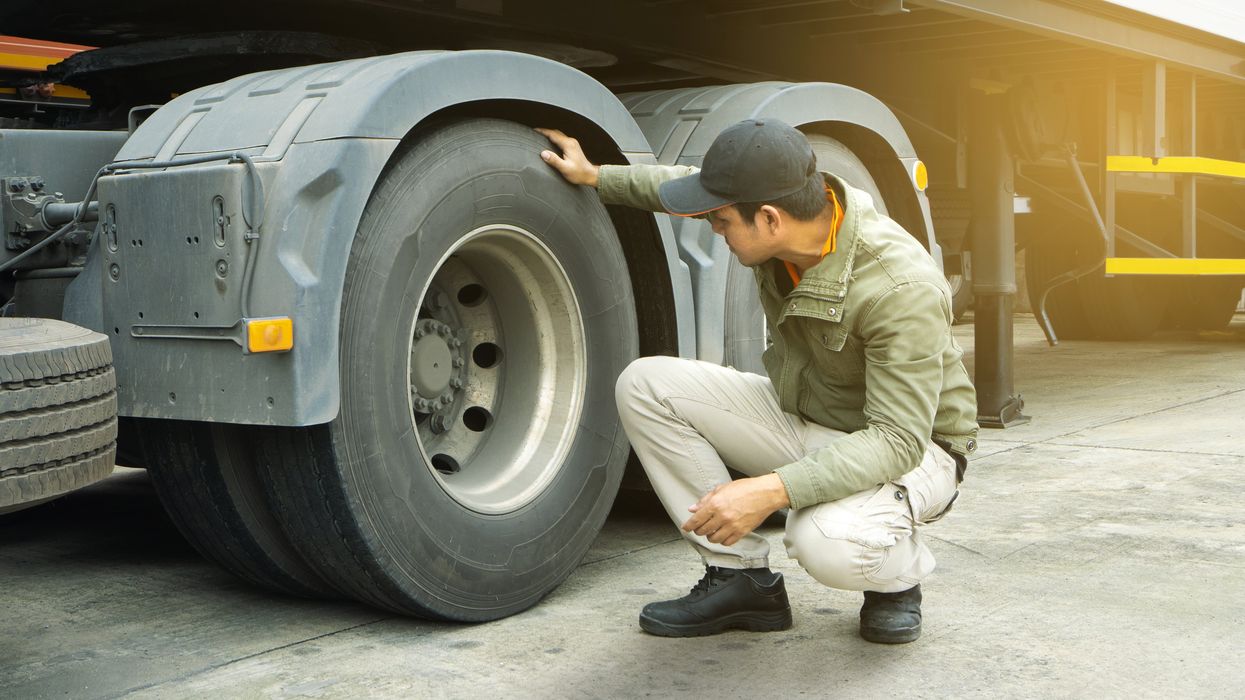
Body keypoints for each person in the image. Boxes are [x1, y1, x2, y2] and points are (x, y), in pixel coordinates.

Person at [537, 119, 978, 644]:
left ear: (769, 219)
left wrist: (769, 491)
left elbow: (896, 440)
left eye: (721, 222)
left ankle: (895, 578)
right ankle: (741, 582)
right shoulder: (794, 218)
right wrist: (595, 177)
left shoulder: (898, 286)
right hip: (813, 416)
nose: (714, 229)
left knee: (827, 543)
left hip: (915, 450)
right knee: (646, 384)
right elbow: (684, 185)